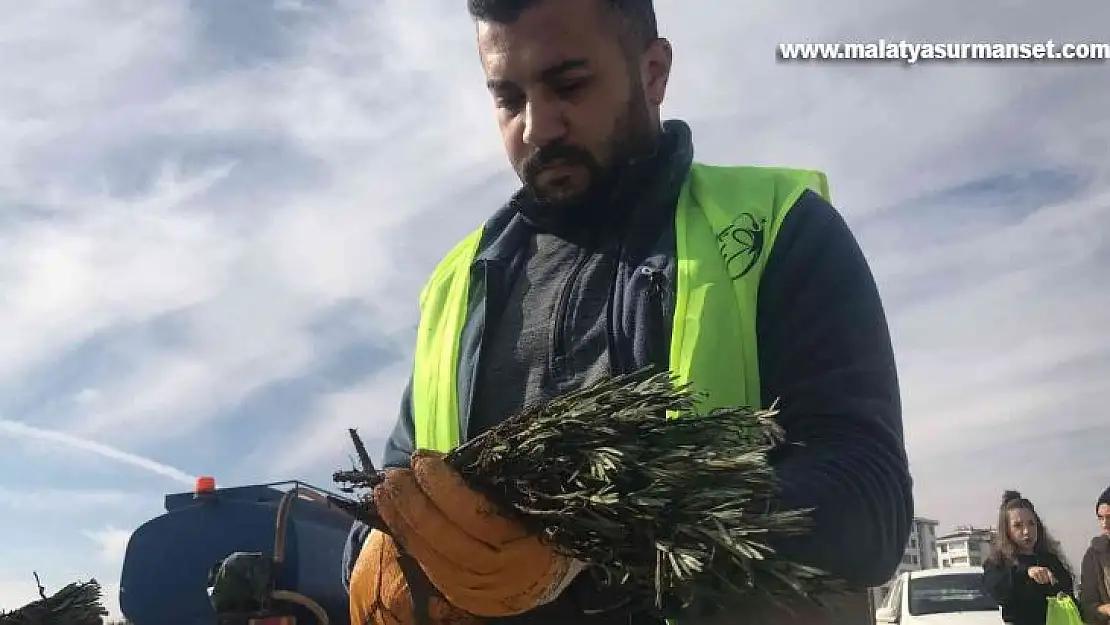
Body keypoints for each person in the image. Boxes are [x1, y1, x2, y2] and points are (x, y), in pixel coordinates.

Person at [342, 0, 913, 623]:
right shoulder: (458, 288)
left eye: (569, 84)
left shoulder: (777, 228)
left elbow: (868, 503)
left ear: (653, 71)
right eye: (508, 97)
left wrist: (592, 536)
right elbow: (386, 502)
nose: (536, 127)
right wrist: (383, 558)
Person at [983, 490, 1076, 625]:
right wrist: (1026, 571)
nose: (1027, 531)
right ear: (1007, 530)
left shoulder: (1050, 560)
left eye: (1031, 524)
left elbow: (1069, 595)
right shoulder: (999, 563)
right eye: (1018, 526)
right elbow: (998, 590)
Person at [1079, 486, 1110, 624]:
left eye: (1109, 517)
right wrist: (1106, 609)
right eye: (1101, 518)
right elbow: (1087, 605)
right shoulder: (1093, 556)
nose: (1105, 524)